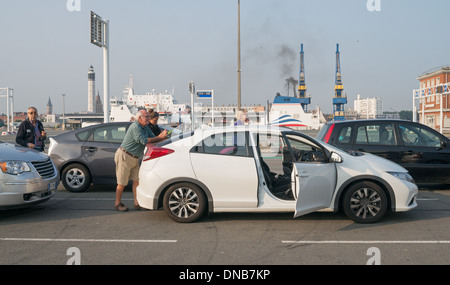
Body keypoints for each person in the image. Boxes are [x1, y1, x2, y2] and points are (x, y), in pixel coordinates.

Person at [114, 109, 168, 212]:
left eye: (148, 116)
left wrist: (164, 138)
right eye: (146, 117)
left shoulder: (145, 127)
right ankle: (117, 203)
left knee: (136, 181)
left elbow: (153, 138)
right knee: (122, 182)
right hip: (125, 156)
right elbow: (144, 140)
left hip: (134, 157)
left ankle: (137, 203)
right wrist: (159, 137)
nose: (149, 118)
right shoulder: (135, 127)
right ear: (139, 118)